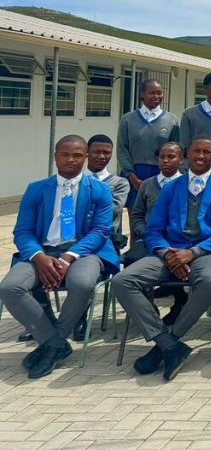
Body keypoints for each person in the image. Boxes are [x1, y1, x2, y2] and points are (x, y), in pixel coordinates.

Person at [111, 136, 211, 381]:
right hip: (170, 252)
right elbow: (153, 229)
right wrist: (168, 253)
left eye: (207, 152)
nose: (201, 156)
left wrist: (192, 253)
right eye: (196, 152)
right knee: (123, 281)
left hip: (208, 252)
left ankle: (171, 339)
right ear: (186, 155)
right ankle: (168, 345)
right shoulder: (172, 187)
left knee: (210, 280)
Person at [0, 135, 120, 379]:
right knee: (10, 287)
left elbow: (100, 231)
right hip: (42, 252)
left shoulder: (99, 190)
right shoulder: (36, 189)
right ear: (55, 157)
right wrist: (38, 257)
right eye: (65, 154)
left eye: (77, 155)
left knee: (82, 283)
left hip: (85, 251)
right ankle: (54, 343)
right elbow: (22, 230)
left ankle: (53, 342)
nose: (71, 160)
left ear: (85, 158)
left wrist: (68, 257)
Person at [116, 78, 179, 209]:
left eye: (160, 93)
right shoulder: (128, 119)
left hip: (162, 173)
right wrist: (133, 178)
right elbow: (122, 150)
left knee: (161, 212)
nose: (157, 96)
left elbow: (176, 150)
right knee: (135, 213)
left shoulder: (171, 120)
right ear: (142, 94)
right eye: (152, 93)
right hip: (135, 174)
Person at [128, 142, 183, 263]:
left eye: (171, 157)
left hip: (179, 240)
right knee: (132, 259)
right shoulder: (147, 185)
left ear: (181, 159)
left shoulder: (188, 185)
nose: (165, 161)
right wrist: (147, 232)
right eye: (162, 157)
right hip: (149, 238)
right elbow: (137, 215)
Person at [85, 134, 131, 251]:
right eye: (97, 152)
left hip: (106, 241)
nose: (102, 156)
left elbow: (112, 210)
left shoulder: (120, 183)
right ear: (87, 152)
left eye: (106, 153)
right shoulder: (75, 179)